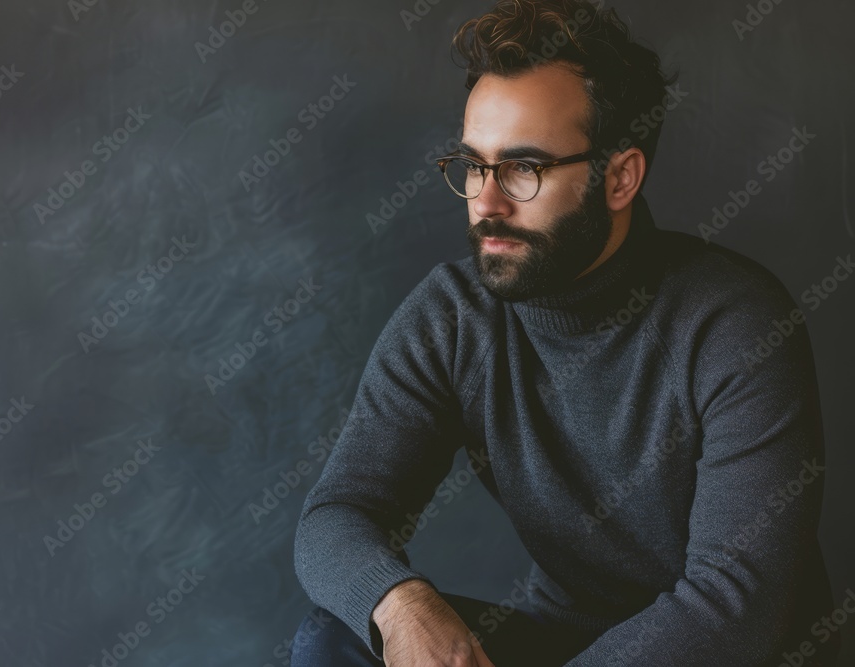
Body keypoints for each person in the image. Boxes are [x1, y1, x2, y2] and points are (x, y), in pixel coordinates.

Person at [291, 1, 841, 664]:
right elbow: (336, 515)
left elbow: (738, 606)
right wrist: (401, 603)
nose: (485, 201)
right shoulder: (454, 316)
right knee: (335, 635)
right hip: (564, 639)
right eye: (473, 164)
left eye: (524, 168)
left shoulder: (733, 322)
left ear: (619, 177)